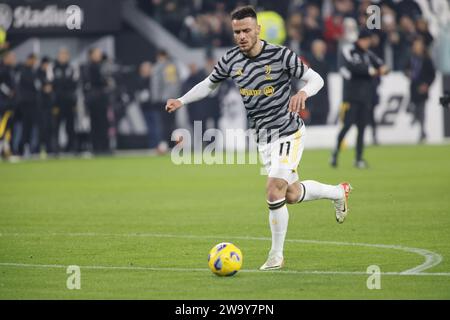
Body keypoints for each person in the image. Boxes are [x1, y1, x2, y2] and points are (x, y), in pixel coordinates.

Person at [165, 6, 352, 271]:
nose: (241, 36)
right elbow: (209, 84)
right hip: (264, 139)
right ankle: (337, 193)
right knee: (289, 194)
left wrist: (303, 94)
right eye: (236, 32)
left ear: (258, 30)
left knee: (273, 188)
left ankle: (276, 256)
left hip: (288, 131)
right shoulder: (231, 60)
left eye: (246, 30)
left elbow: (317, 79)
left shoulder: (281, 55)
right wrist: (181, 100)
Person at [331, 29, 389, 169]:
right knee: (347, 125)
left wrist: (383, 69)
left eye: (368, 41)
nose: (367, 43)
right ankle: (335, 153)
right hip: (351, 96)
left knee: (362, 128)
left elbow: (382, 65)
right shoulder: (350, 51)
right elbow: (353, 68)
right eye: (365, 40)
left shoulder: (368, 54)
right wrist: (372, 71)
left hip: (365, 97)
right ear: (359, 40)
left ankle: (358, 158)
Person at [404, 36, 436, 143]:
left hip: (422, 89)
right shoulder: (411, 58)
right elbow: (405, 69)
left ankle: (422, 132)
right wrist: (407, 73)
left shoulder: (427, 59)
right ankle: (420, 126)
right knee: (415, 108)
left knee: (421, 110)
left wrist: (427, 85)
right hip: (413, 88)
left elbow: (432, 75)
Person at [151, 49, 180, 151]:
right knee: (171, 122)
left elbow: (156, 84)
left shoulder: (160, 67)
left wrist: (156, 98)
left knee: (164, 123)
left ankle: (165, 144)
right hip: (172, 99)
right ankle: (173, 144)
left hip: (163, 99)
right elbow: (176, 84)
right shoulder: (172, 66)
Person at [83, 48, 110, 154]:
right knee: (96, 124)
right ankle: (96, 148)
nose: (99, 55)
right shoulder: (89, 67)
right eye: (97, 53)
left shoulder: (101, 65)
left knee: (104, 123)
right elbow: (94, 81)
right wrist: (104, 82)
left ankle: (104, 147)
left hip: (101, 98)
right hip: (94, 99)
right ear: (91, 55)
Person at [53, 48, 78, 153]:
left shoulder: (72, 68)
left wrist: (74, 102)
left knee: (70, 126)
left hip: (69, 102)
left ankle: (71, 147)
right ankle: (54, 148)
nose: (63, 56)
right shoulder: (53, 68)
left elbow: (74, 84)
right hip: (57, 102)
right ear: (58, 56)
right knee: (55, 126)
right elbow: (52, 84)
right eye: (61, 54)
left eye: (65, 54)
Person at [17, 53, 39, 156]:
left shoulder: (33, 71)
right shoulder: (23, 71)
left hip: (33, 104)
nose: (35, 62)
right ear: (29, 59)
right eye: (34, 60)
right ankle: (22, 148)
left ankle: (30, 148)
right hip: (25, 104)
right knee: (25, 127)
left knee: (31, 127)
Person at [136, 61, 162, 150]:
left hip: (154, 107)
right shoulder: (140, 79)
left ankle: (158, 146)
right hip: (145, 107)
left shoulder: (153, 79)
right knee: (150, 128)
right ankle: (152, 146)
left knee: (156, 128)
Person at [36, 56, 54, 157]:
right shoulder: (38, 73)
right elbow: (40, 87)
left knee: (49, 127)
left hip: (49, 105)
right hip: (40, 105)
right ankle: (39, 149)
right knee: (41, 128)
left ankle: (49, 148)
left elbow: (51, 86)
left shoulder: (49, 73)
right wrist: (45, 87)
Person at [0, 51, 16, 159]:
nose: (13, 59)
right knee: (3, 127)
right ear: (6, 58)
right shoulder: (3, 70)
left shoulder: (11, 70)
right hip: (4, 103)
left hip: (10, 104)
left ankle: (6, 151)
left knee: (8, 128)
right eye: (11, 57)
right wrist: (9, 92)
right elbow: (1, 84)